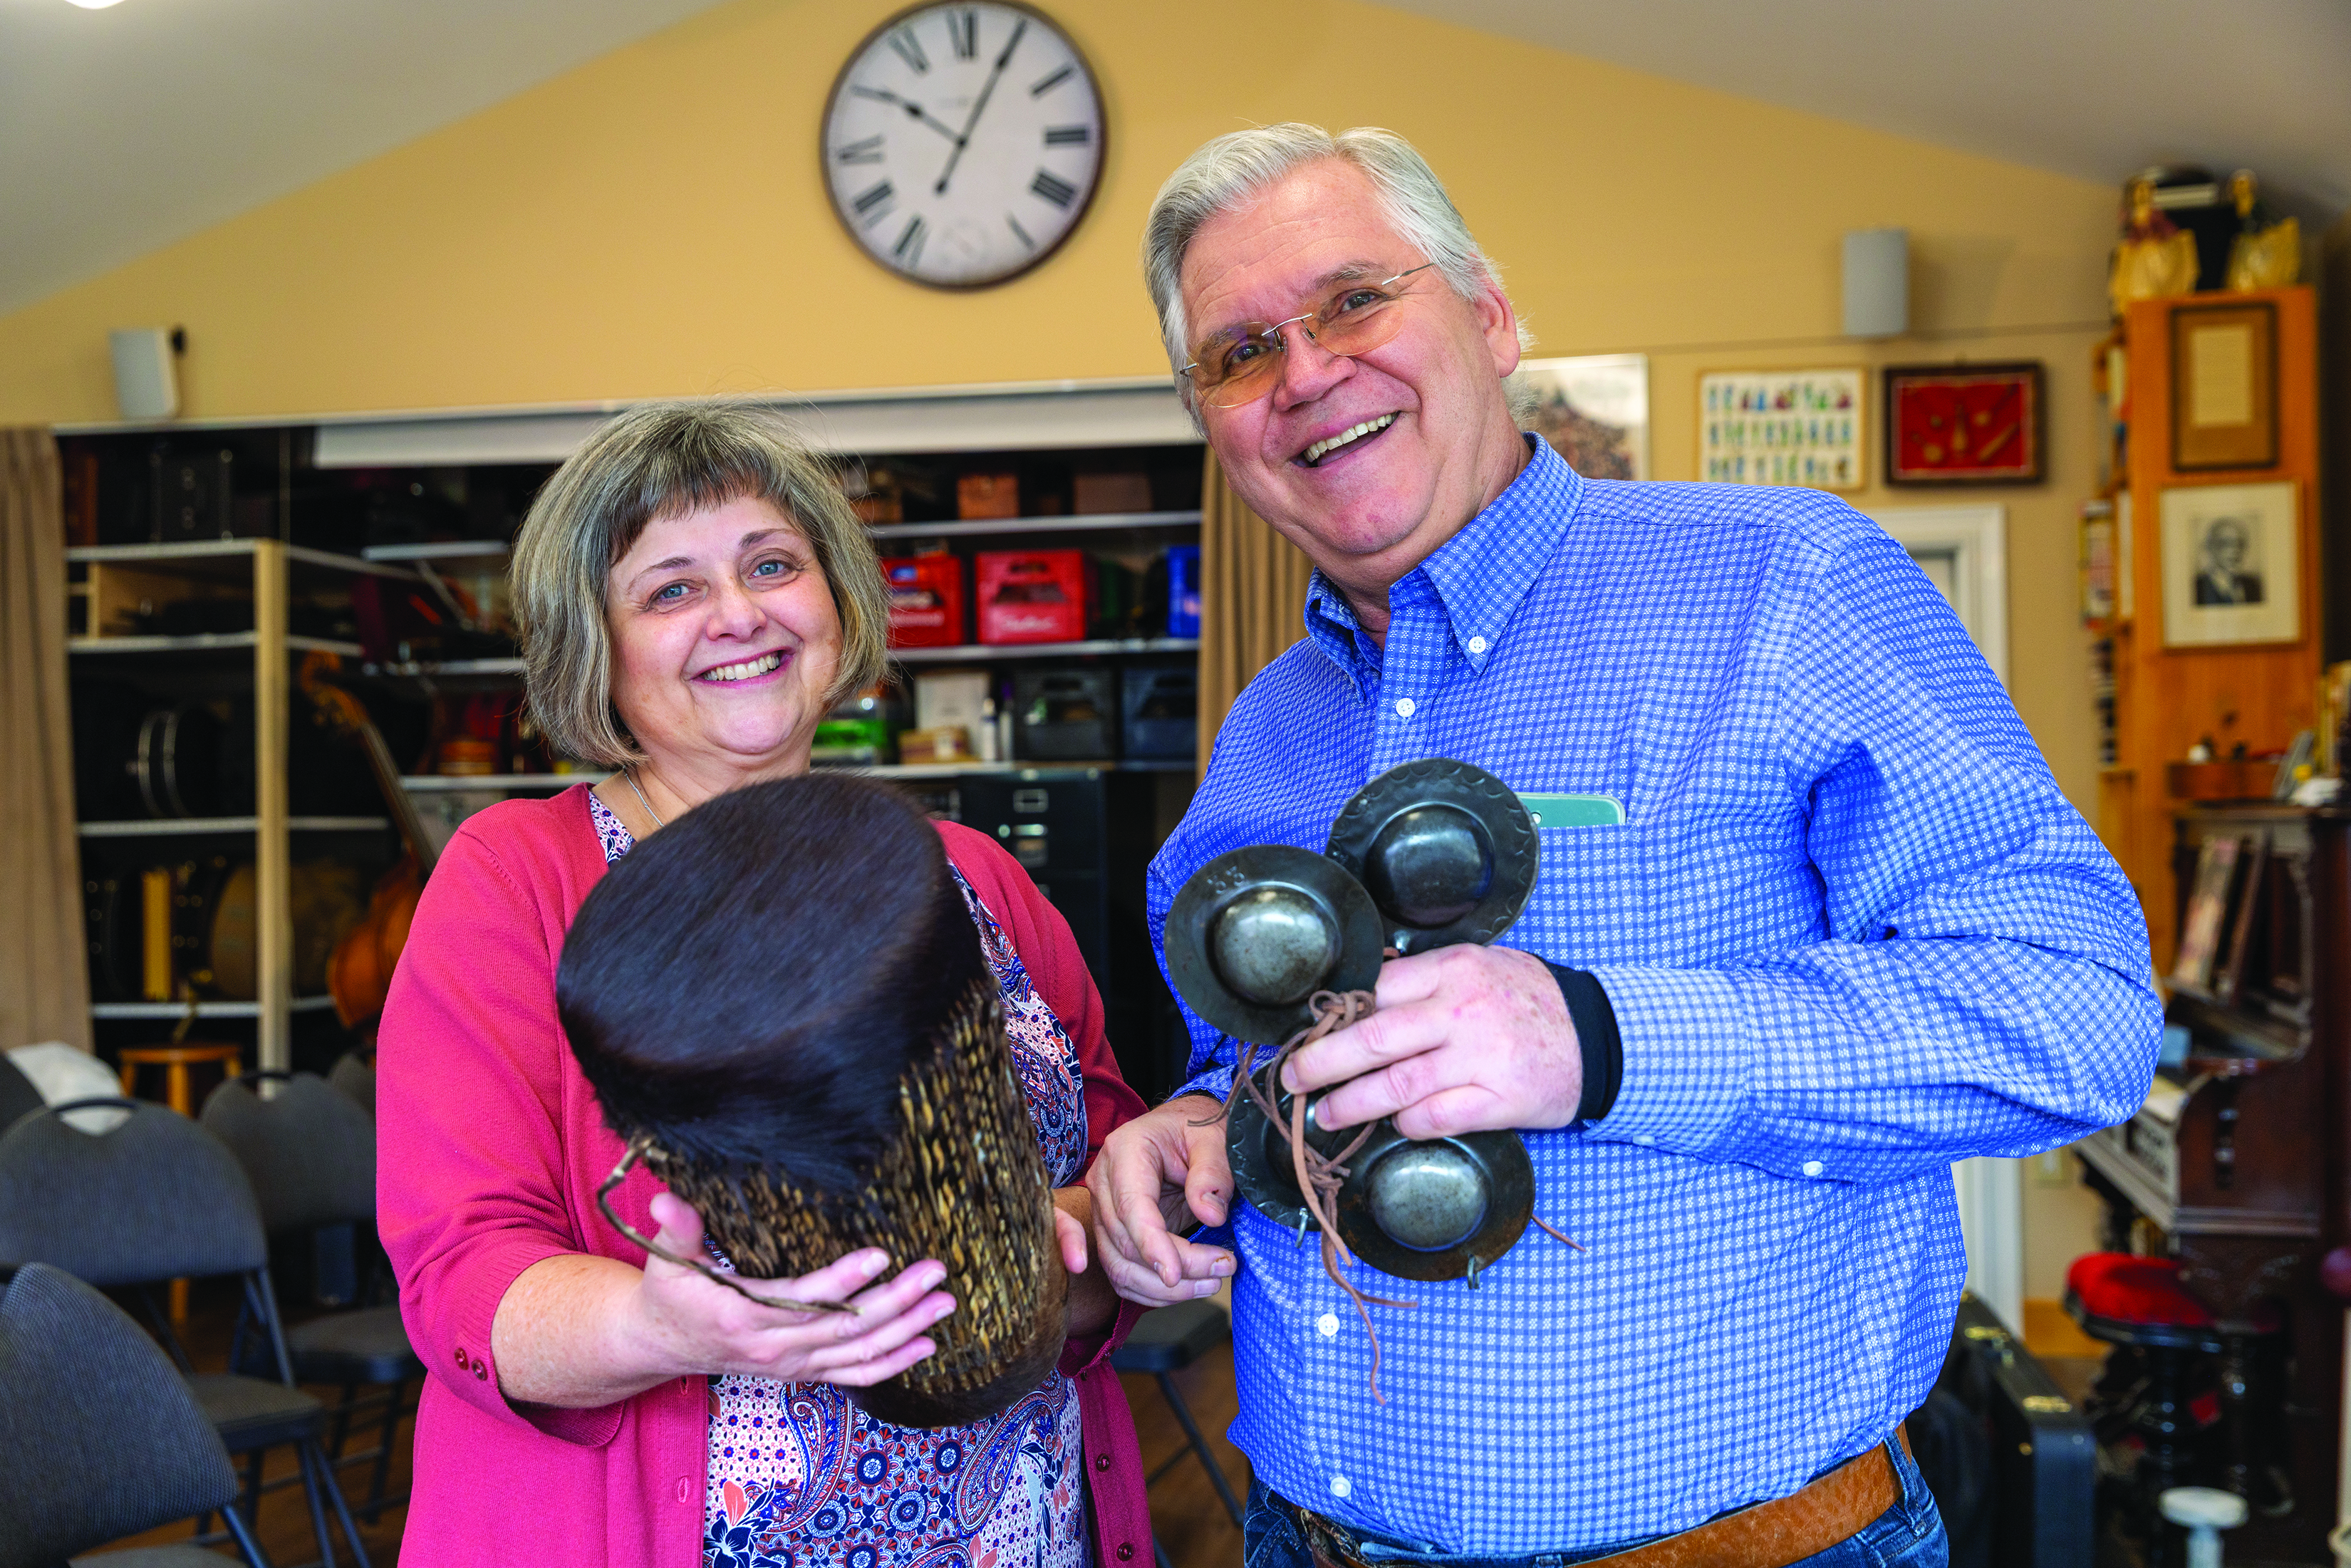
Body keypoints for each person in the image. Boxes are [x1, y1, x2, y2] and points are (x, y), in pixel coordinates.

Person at [1088, 124, 2161, 1568]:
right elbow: (1290, 1053)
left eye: (1354, 299)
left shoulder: (1785, 582)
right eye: (1238, 352)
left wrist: (1596, 1035)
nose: (1304, 373)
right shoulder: (1268, 727)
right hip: (1303, 1534)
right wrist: (1206, 1118)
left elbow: (2076, 1010)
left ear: (1491, 316)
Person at [379, 402, 1150, 1568]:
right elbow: (461, 1280)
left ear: (835, 601)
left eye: (773, 564)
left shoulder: (975, 876)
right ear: (599, 646)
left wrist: (1076, 1243)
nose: (739, 615)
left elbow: (1110, 1196)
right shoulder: (516, 881)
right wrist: (656, 1324)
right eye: (671, 589)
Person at [2194, 516, 2263, 605]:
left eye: (2240, 544)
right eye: (2225, 544)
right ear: (2210, 547)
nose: (2235, 551)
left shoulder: (2253, 585)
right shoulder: (2198, 587)